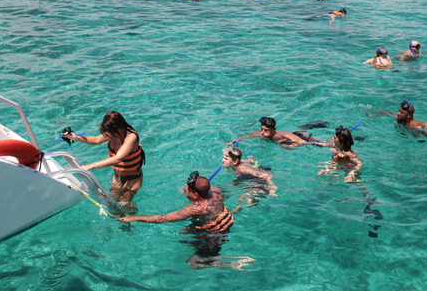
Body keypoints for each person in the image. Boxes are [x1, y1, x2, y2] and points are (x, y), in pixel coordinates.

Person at [120, 172, 253, 270]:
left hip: (214, 235)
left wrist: (134, 218)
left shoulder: (196, 208)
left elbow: (162, 219)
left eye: (187, 190)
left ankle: (228, 263)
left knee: (194, 263)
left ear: (195, 195)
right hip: (226, 220)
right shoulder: (215, 192)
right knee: (184, 233)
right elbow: (224, 193)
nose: (185, 191)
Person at [62, 111, 145, 202]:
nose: (109, 134)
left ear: (119, 126)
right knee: (113, 202)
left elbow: (118, 158)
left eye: (111, 131)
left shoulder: (131, 137)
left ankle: (136, 216)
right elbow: (97, 139)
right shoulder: (114, 132)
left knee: (125, 205)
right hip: (117, 178)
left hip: (132, 180)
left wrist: (90, 166)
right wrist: (76, 138)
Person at [222, 147, 277, 212]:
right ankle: (239, 204)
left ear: (235, 161)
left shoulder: (244, 169)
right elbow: (246, 161)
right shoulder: (239, 162)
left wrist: (272, 188)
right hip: (248, 178)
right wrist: (251, 159)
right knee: (233, 187)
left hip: (260, 181)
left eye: (225, 159)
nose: (222, 160)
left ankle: (249, 202)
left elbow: (266, 175)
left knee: (248, 200)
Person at [232, 116, 317, 149]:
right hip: (279, 142)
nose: (262, 132)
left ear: (273, 130)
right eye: (261, 129)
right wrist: (235, 140)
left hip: (289, 139)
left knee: (316, 142)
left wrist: (291, 145)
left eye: (266, 130)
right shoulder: (260, 133)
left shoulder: (282, 135)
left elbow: (302, 142)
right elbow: (246, 136)